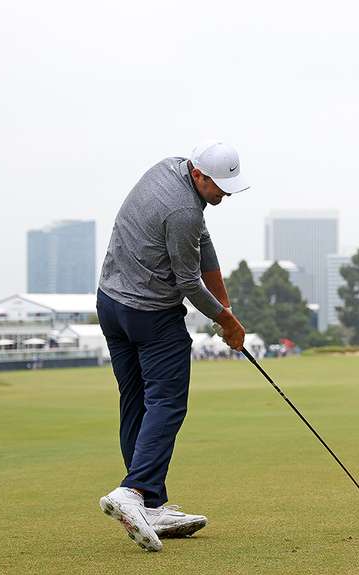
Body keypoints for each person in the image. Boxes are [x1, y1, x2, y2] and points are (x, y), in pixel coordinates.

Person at [96, 141, 249, 552]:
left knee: (136, 402)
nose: (225, 194)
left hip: (110, 304)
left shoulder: (170, 168)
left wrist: (227, 308)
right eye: (220, 186)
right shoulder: (182, 210)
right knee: (166, 402)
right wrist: (226, 321)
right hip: (151, 314)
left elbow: (203, 243)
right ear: (199, 175)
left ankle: (152, 505)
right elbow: (187, 283)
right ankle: (136, 491)